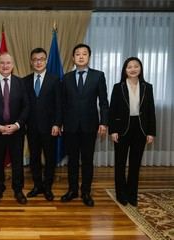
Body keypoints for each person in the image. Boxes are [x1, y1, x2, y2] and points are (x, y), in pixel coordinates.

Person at [60, 43, 109, 207]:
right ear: (73, 58)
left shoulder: (98, 76)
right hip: (70, 126)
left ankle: (86, 192)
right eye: (78, 54)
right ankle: (72, 190)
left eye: (84, 54)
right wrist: (59, 123)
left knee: (87, 160)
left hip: (90, 125)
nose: (81, 56)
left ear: (89, 57)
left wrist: (104, 122)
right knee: (72, 160)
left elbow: (103, 102)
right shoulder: (66, 77)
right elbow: (62, 102)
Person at [0, 52, 29, 205]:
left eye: (8, 63)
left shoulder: (21, 83)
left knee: (17, 162)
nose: (5, 66)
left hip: (16, 131)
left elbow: (26, 107)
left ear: (12, 65)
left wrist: (16, 125)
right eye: (2, 63)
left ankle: (18, 189)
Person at [109, 57, 156, 207]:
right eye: (129, 67)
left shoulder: (148, 87)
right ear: (125, 70)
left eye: (136, 66)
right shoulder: (118, 87)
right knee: (120, 163)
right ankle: (121, 194)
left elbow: (151, 111)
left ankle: (132, 195)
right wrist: (113, 130)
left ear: (140, 69)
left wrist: (151, 132)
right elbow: (112, 110)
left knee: (135, 165)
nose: (133, 69)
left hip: (141, 129)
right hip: (122, 129)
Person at [23, 47, 62, 201]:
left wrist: (57, 124)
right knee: (34, 159)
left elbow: (59, 105)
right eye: (35, 59)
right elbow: (23, 105)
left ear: (46, 61)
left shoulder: (55, 80)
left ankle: (47, 187)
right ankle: (37, 185)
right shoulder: (25, 81)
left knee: (50, 158)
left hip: (49, 128)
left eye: (41, 59)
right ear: (31, 62)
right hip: (31, 128)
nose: (38, 62)